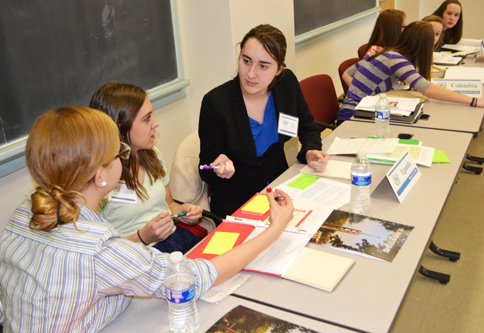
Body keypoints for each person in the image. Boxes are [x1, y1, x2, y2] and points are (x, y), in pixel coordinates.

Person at [0, 106, 294, 332]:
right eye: (118, 153)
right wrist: (274, 228)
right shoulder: (98, 249)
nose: (124, 157)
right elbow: (195, 278)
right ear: (100, 176)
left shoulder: (25, 212)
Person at [198, 24, 329, 218]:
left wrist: (310, 150)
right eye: (246, 61)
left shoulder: (286, 84)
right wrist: (218, 166)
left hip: (280, 189)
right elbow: (205, 168)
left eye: (263, 66)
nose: (251, 73)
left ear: (279, 70)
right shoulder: (216, 103)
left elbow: (307, 126)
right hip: (237, 202)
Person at [89, 82, 207, 254]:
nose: (156, 123)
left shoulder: (152, 154)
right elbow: (102, 252)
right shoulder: (99, 177)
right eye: (147, 118)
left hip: (173, 241)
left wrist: (184, 212)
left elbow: (169, 204)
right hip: (136, 256)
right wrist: (143, 237)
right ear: (119, 127)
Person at [338, 21, 484, 122]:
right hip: (353, 116)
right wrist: (473, 101)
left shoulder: (386, 51)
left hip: (357, 110)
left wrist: (366, 94)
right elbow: (428, 89)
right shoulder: (397, 60)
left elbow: (348, 73)